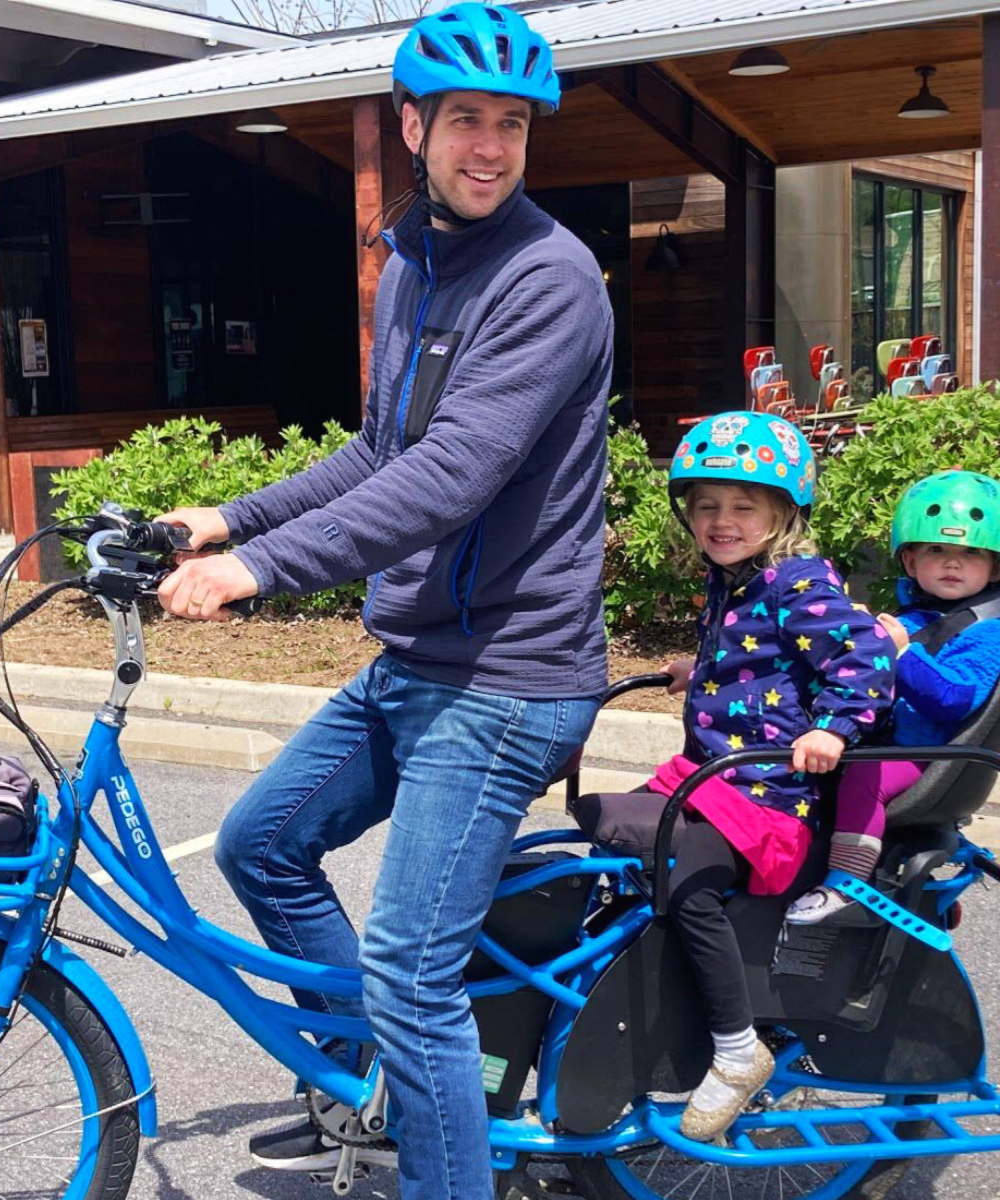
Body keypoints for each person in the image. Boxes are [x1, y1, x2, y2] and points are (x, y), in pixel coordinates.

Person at [154, 5, 614, 1197]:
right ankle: (373, 1092)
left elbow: (457, 471)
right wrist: (230, 518)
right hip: (419, 657)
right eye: (466, 120)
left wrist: (261, 571)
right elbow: (381, 450)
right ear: (414, 126)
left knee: (413, 974)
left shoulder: (550, 279)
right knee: (262, 846)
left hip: (506, 681)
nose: (490, 147)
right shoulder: (414, 261)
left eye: (511, 124)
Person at [570, 411, 896, 1142]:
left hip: (768, 802)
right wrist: (701, 668)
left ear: (784, 514)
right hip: (715, 783)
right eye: (706, 505)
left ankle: (736, 1046)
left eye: (744, 506)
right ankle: (633, 986)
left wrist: (833, 727)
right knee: (604, 825)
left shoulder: (799, 581)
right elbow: (763, 661)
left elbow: (868, 656)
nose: (722, 521)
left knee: (681, 872)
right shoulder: (737, 582)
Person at [787, 469, 1000, 924]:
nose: (952, 563)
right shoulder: (917, 616)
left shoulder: (988, 631)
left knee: (867, 774)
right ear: (910, 561)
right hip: (886, 739)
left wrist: (902, 651)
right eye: (936, 550)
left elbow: (954, 698)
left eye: (971, 553)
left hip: (927, 756)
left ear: (995, 566)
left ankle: (845, 884)